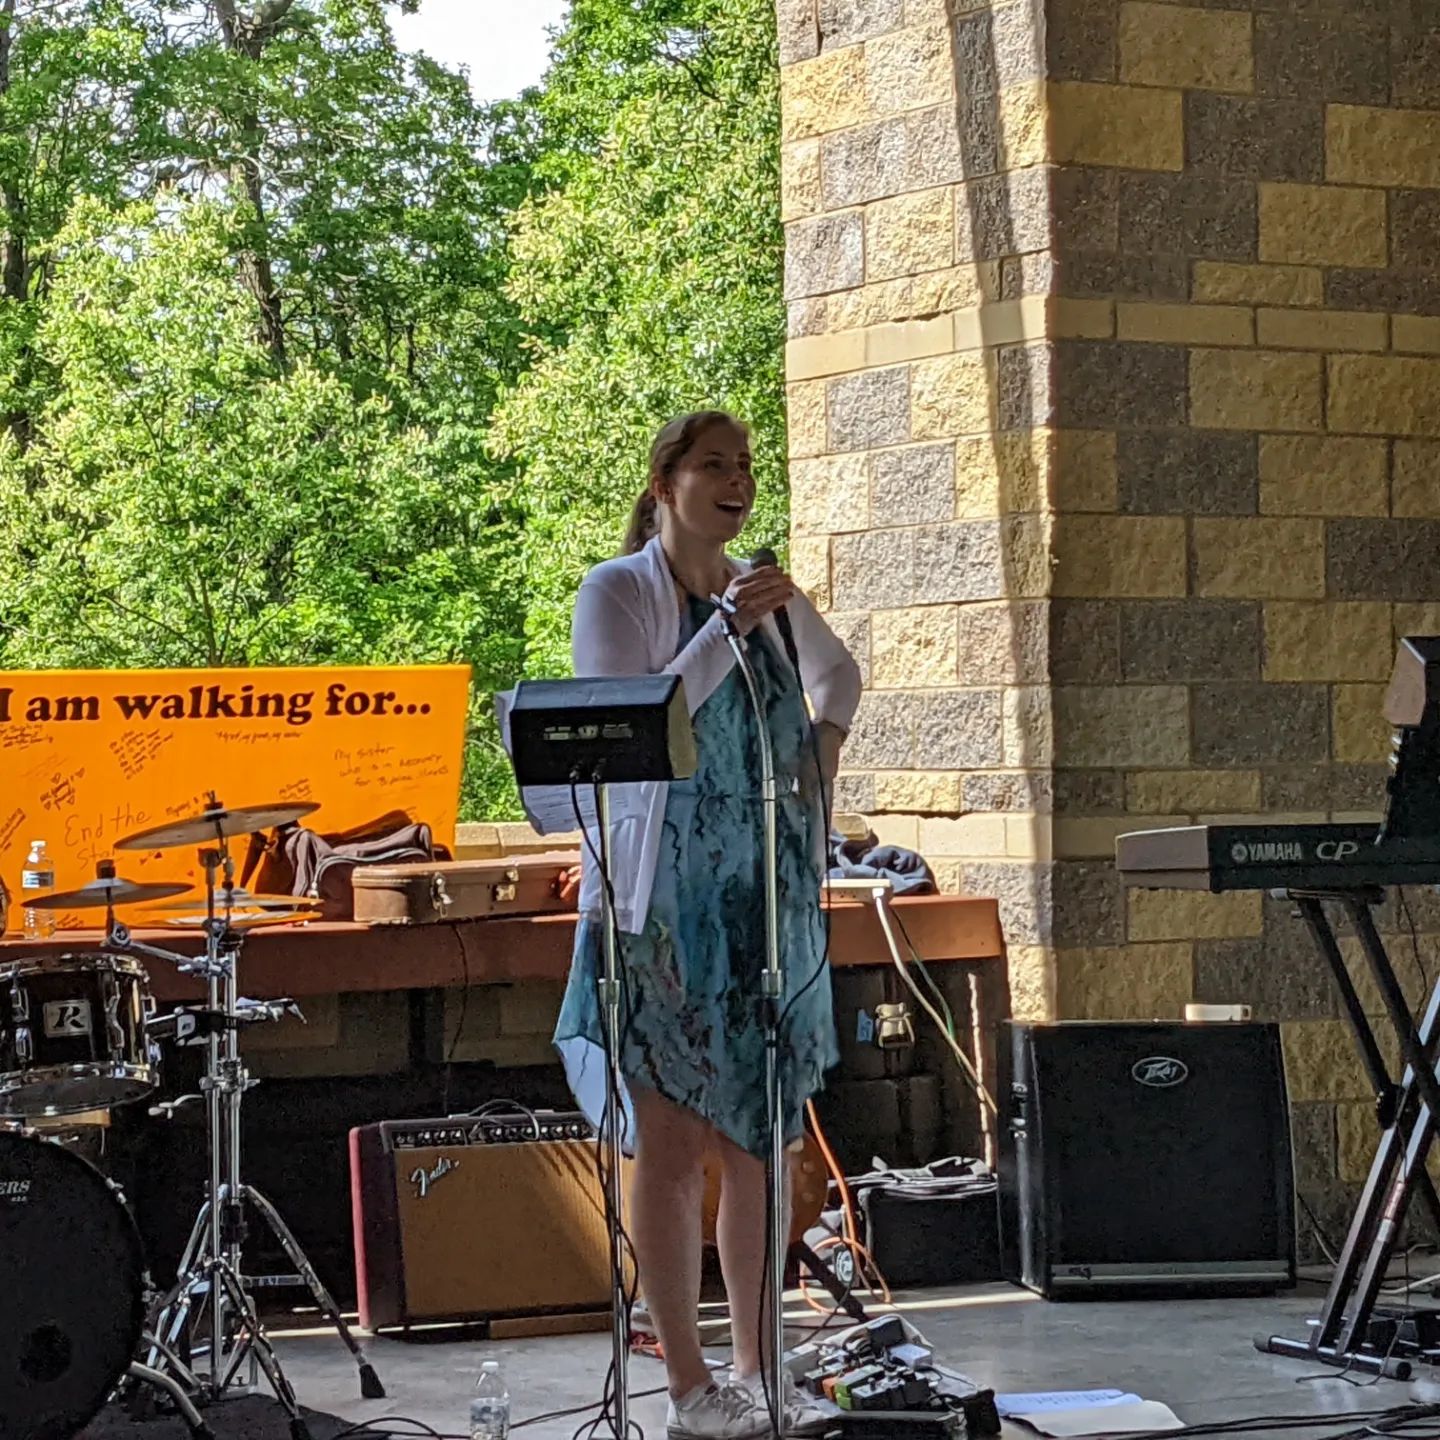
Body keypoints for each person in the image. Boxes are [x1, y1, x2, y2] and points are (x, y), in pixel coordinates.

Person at [555, 410, 862, 1439]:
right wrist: (724, 628)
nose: (736, 481)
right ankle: (689, 1387)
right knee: (676, 1147)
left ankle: (761, 1369)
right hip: (660, 910)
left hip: (757, 906)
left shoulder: (766, 594)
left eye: (745, 465)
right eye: (713, 465)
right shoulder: (621, 592)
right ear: (666, 481)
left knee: (763, 1144)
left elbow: (840, 675)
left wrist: (818, 759)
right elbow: (634, 717)